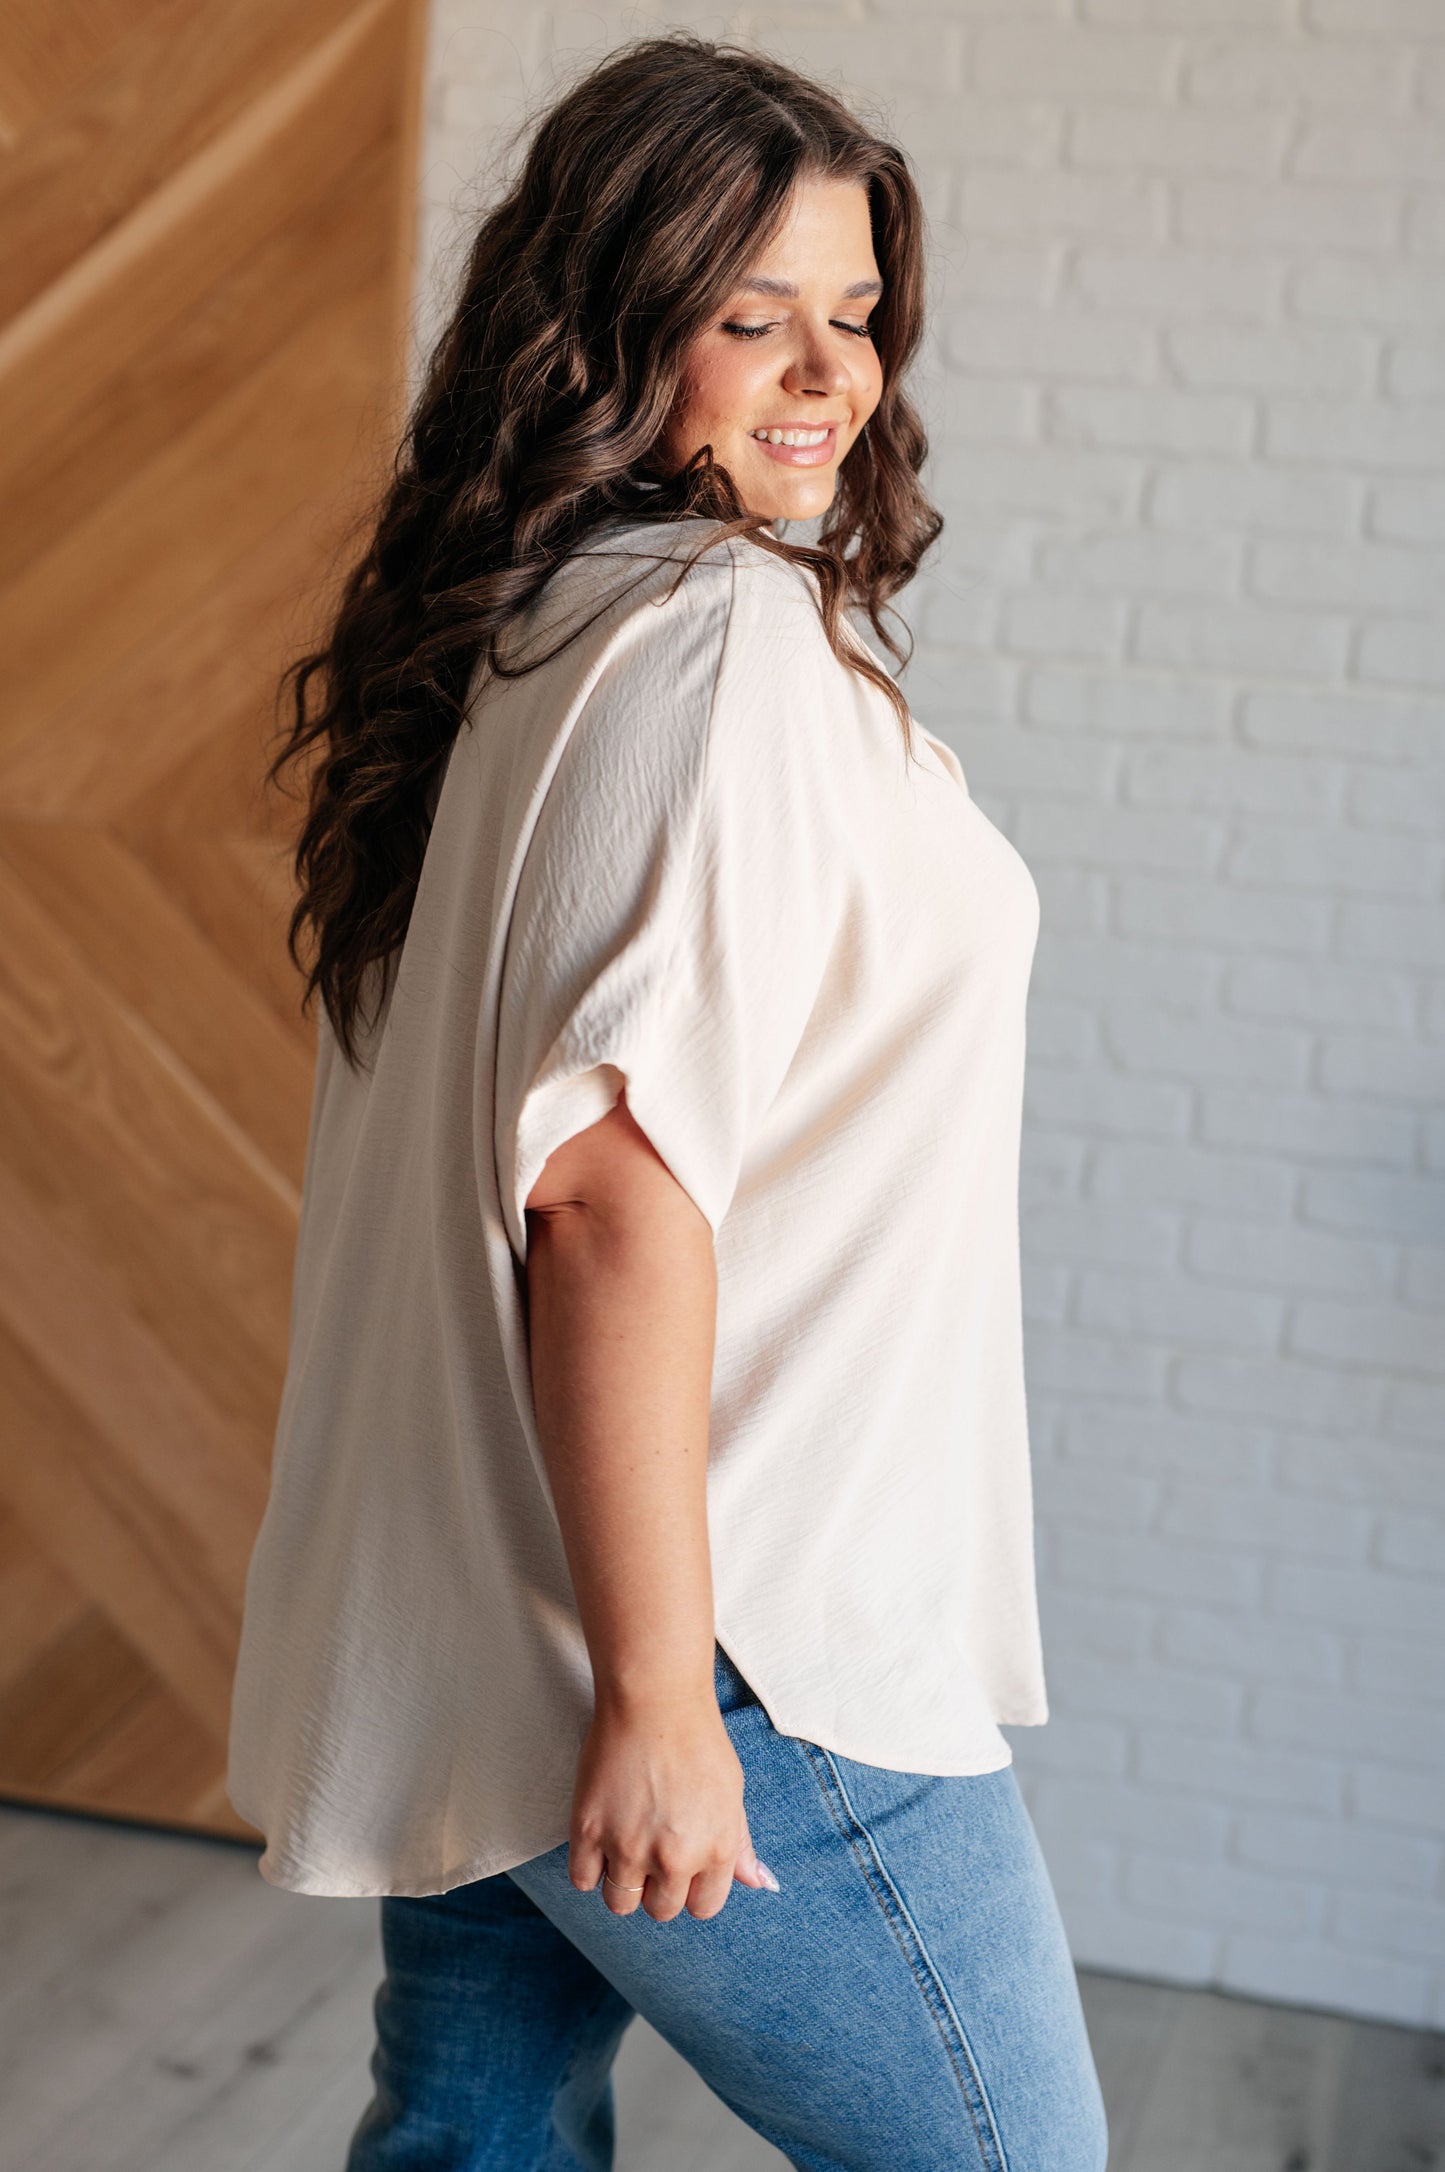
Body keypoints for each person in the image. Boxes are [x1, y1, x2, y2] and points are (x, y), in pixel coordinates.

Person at [226, 33, 1108, 2172]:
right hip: (727, 1621)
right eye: (749, 315)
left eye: (856, 314)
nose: (827, 375)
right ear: (612, 331)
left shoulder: (526, 628)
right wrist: (649, 1693)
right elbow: (608, 1198)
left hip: (493, 1592)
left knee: (476, 2144)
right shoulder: (715, 647)